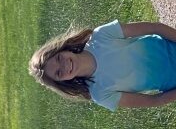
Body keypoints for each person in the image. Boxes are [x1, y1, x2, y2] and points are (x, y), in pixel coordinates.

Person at [29, 20, 176, 111]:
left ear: (63, 49)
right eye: (59, 73)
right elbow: (155, 100)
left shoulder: (101, 35)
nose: (65, 65)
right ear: (64, 82)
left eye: (59, 58)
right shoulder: (101, 95)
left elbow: (156, 28)